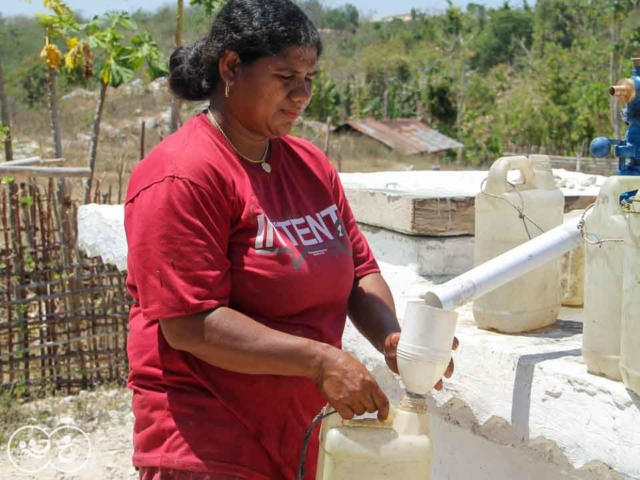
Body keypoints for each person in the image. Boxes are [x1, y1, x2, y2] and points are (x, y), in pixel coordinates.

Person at [124, 1, 454, 479]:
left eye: (310, 78)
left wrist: (391, 338)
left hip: (296, 432)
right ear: (232, 67)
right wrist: (321, 361)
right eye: (285, 76)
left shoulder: (310, 166)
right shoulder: (182, 176)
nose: (302, 94)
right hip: (207, 442)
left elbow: (359, 272)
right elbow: (189, 324)